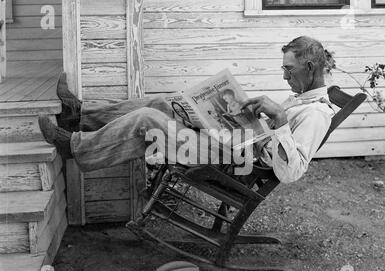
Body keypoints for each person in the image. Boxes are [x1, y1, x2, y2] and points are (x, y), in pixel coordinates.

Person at [39, 36, 336, 184]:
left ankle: (76, 148)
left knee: (148, 119)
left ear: (309, 68)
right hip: (232, 141)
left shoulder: (317, 114)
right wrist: (246, 117)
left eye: (289, 69)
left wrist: (280, 118)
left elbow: (293, 171)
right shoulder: (303, 99)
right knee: (164, 103)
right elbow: (271, 136)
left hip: (235, 160)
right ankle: (79, 115)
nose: (285, 75)